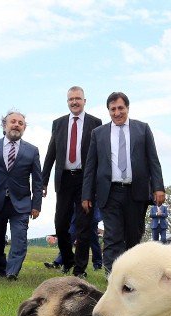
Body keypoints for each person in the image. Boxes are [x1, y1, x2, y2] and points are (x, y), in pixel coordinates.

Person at [82, 91, 165, 274]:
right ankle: (112, 275)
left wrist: (158, 187)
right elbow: (90, 167)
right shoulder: (98, 133)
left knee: (133, 236)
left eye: (121, 108)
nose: (117, 113)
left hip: (136, 191)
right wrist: (86, 194)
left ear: (127, 108)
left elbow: (153, 160)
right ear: (108, 111)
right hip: (109, 192)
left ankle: (132, 274)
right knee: (112, 236)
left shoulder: (142, 129)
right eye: (113, 109)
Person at [42, 86, 103, 278]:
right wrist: (43, 181)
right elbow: (51, 153)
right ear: (67, 102)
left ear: (85, 101)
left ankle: (80, 269)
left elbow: (99, 156)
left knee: (85, 226)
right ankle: (68, 260)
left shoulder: (96, 123)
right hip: (65, 179)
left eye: (78, 98)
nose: (74, 102)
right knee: (60, 224)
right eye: (71, 99)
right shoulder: (58, 123)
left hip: (86, 180)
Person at [0, 110, 42, 280]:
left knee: (19, 240)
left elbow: (37, 180)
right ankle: (1, 269)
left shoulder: (32, 151)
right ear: (5, 125)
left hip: (21, 203)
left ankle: (12, 272)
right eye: (13, 122)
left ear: (24, 128)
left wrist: (36, 205)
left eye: (20, 123)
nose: (16, 125)